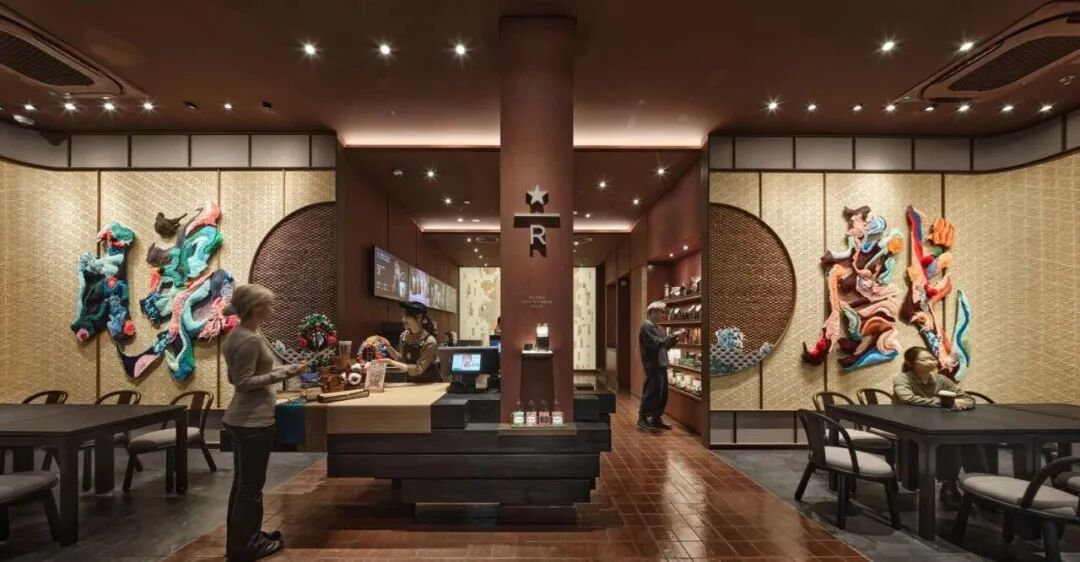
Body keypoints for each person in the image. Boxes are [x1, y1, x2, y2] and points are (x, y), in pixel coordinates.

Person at [222, 284, 307, 561]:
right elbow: (244, 382)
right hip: (252, 421)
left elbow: (235, 376)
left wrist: (289, 368)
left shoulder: (236, 336)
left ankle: (245, 538)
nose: (272, 309)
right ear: (255, 308)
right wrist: (282, 375)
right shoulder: (250, 340)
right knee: (250, 487)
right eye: (268, 304)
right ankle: (246, 545)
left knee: (243, 485)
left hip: (240, 420)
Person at [893, 346, 989, 509]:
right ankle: (949, 485)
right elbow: (907, 399)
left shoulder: (941, 379)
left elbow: (967, 398)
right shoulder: (903, 379)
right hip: (910, 424)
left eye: (932, 358)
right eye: (924, 359)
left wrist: (962, 403)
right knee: (949, 442)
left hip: (938, 423)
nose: (930, 362)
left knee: (972, 440)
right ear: (910, 363)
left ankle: (981, 488)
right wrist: (946, 403)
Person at [639, 301, 684, 431]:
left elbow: (665, 345)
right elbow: (656, 343)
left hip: (661, 364)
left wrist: (675, 339)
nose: (662, 315)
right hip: (652, 365)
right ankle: (643, 418)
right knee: (651, 392)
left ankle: (656, 417)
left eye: (663, 312)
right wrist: (673, 336)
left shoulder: (658, 328)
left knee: (662, 393)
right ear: (652, 312)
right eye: (660, 312)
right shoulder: (646, 327)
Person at [377, 301, 442, 382]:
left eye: (407, 316)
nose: (403, 319)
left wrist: (391, 362)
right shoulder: (404, 336)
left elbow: (418, 369)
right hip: (412, 382)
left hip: (431, 383)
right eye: (403, 316)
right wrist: (388, 347)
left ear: (419, 317)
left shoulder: (430, 341)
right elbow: (402, 360)